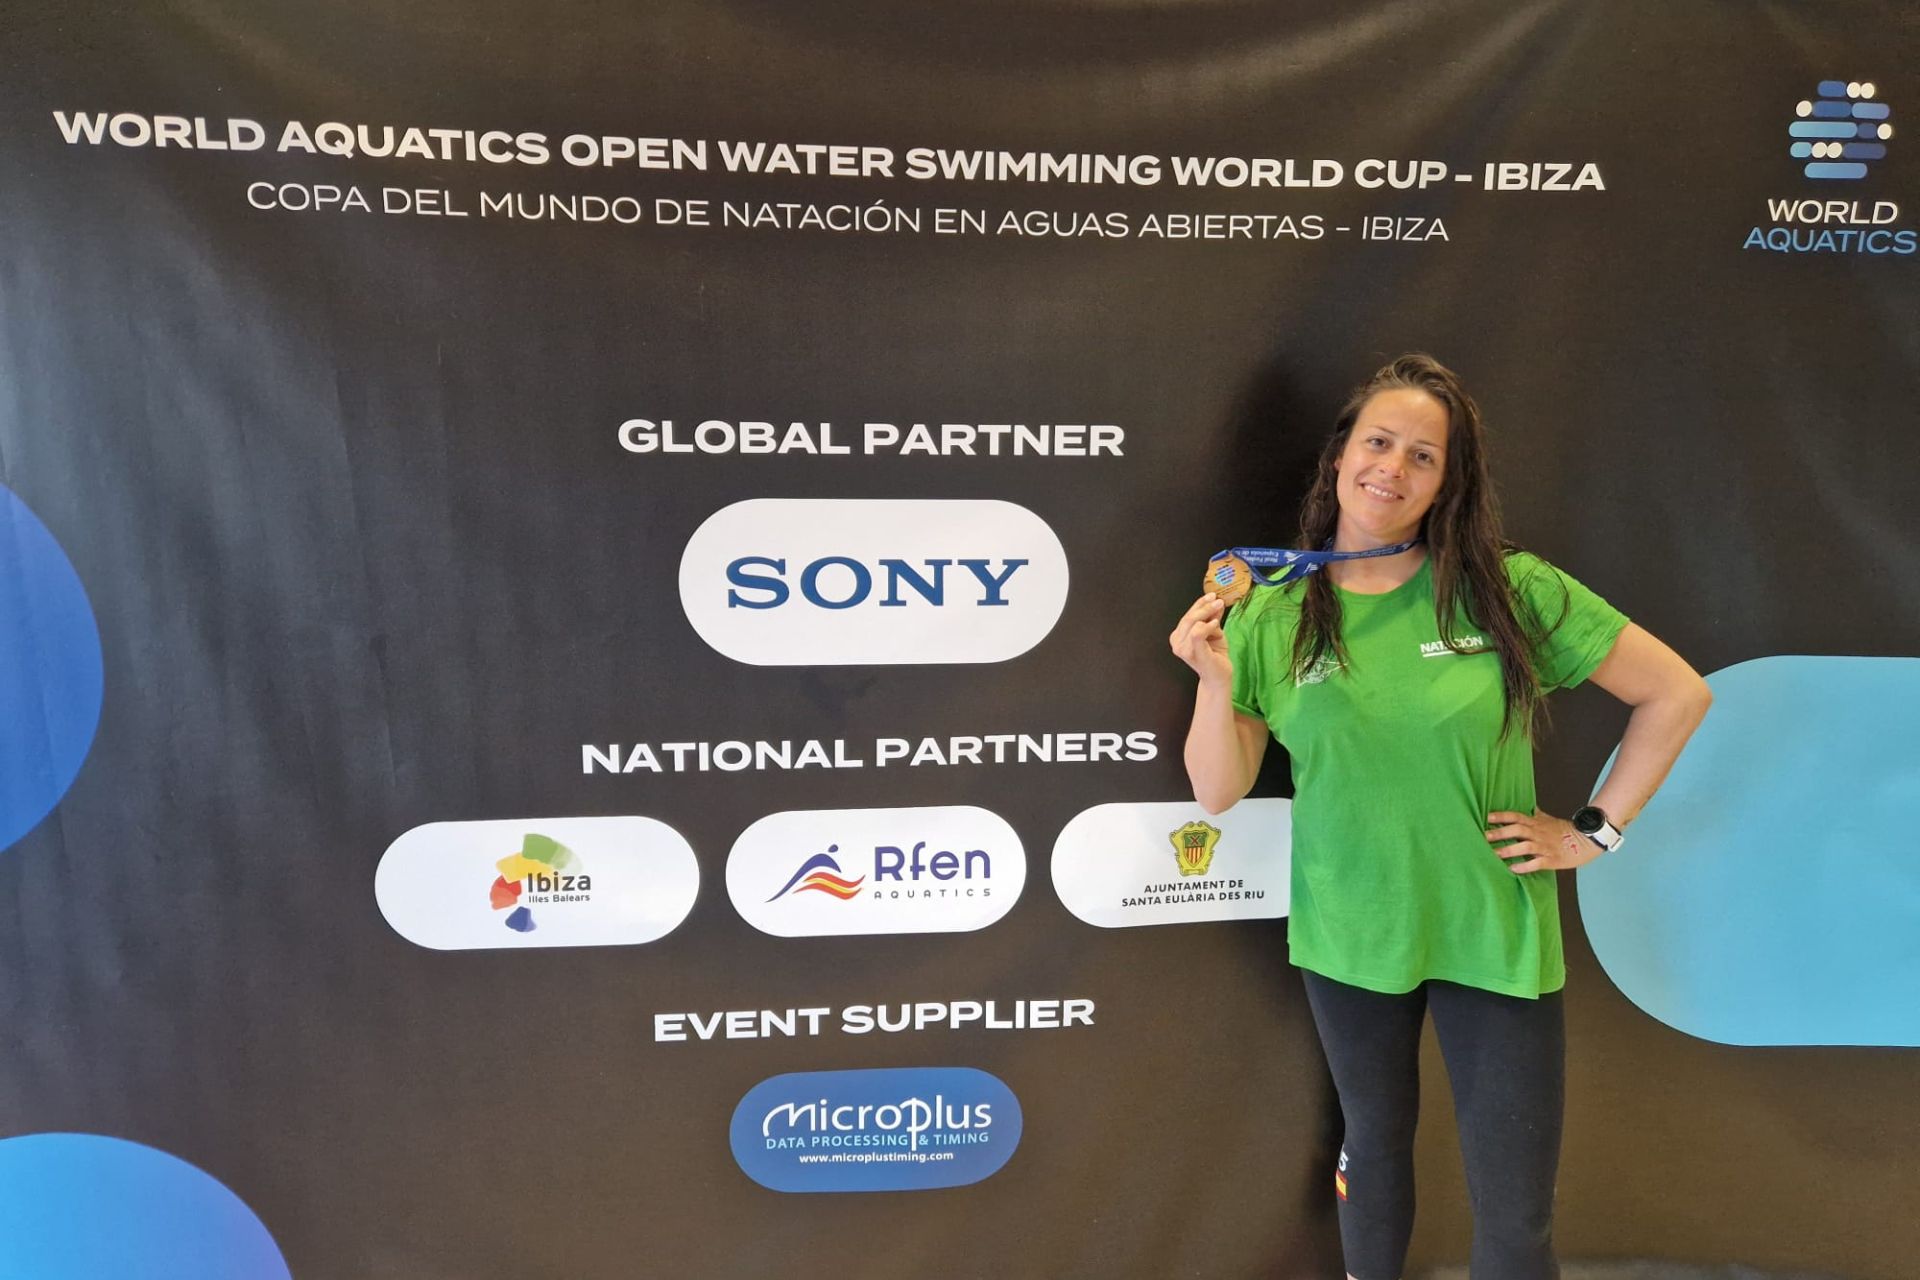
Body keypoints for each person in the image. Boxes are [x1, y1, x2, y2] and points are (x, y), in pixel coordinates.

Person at [1168, 354, 1712, 1280]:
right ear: (1340, 457)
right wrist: (1215, 685)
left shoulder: (1509, 589)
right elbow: (1217, 791)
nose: (1394, 467)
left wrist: (1593, 831)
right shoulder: (1272, 612)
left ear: (1447, 483)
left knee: (1515, 1215)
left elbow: (1676, 694)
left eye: (1424, 456)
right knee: (1373, 1155)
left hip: (1491, 928)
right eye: (1379, 442)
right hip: (1351, 931)